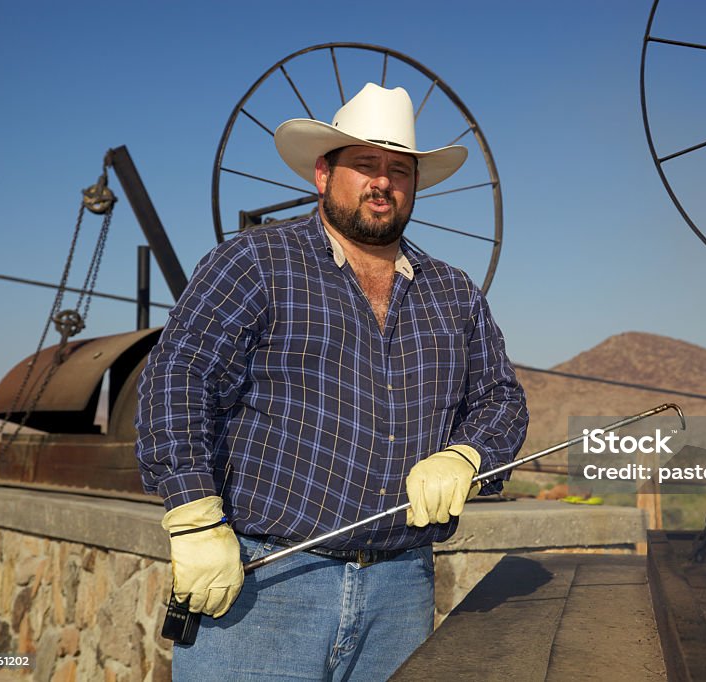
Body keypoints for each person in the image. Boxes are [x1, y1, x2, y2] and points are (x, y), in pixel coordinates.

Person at [135, 82, 529, 680]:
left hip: (401, 587)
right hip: (266, 586)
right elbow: (178, 383)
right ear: (323, 173)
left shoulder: (453, 293)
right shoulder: (254, 261)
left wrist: (467, 453)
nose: (382, 182)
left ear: (415, 185)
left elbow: (501, 399)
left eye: (399, 170)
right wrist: (193, 518)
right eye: (365, 165)